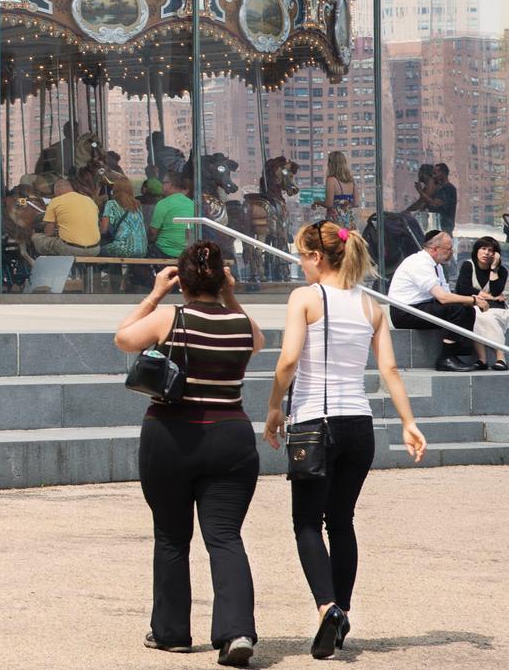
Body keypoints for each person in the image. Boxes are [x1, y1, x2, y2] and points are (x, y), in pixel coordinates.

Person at [262, 221, 428, 659]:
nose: (300, 264)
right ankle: (343, 612)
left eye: (302, 256)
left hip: (316, 422)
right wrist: (409, 422)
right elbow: (389, 369)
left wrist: (274, 405)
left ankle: (327, 607)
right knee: (341, 520)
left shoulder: (306, 298)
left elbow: (288, 360)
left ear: (317, 257)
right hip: (359, 425)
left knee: (306, 521)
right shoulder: (371, 304)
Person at [114, 241, 264, 665]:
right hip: (231, 436)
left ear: (183, 281)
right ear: (222, 279)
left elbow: (123, 338)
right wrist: (230, 296)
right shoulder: (241, 323)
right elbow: (257, 341)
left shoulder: (171, 316)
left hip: (171, 434)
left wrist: (155, 294)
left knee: (171, 536)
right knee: (225, 536)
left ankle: (172, 632)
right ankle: (237, 632)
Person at [389, 231, 483, 371]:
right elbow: (443, 298)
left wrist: (471, 301)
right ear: (434, 249)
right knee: (457, 310)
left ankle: (458, 351)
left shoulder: (437, 266)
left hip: (422, 306)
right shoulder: (419, 263)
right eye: (448, 249)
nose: (452, 252)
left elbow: (447, 295)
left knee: (466, 309)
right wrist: (473, 299)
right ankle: (446, 359)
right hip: (404, 312)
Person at [454, 236, 508, 370]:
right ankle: (499, 358)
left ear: (495, 254)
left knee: (487, 316)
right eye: (483, 249)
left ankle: (484, 360)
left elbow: (496, 291)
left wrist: (494, 269)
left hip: (497, 309)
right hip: (475, 306)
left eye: (490, 250)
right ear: (477, 250)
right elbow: (464, 289)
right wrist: (490, 297)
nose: (486, 253)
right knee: (478, 315)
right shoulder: (468, 265)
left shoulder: (501, 271)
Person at [31, 176, 101, 256]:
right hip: (95, 250)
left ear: (59, 190)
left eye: (55, 193)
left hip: (71, 250)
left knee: (37, 238)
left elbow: (49, 232)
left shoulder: (56, 201)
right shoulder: (89, 200)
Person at [149, 168, 196, 259]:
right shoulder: (192, 204)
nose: (162, 185)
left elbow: (153, 232)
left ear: (170, 185)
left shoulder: (163, 203)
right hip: (187, 253)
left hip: (164, 252)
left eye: (163, 183)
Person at [99, 176, 150, 259]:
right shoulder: (138, 205)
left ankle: (107, 268)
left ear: (115, 189)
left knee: (98, 250)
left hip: (122, 249)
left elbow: (103, 230)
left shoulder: (111, 204)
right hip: (142, 250)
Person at [323, 151, 357, 231]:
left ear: (332, 164)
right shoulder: (351, 181)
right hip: (350, 223)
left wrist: (317, 202)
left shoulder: (331, 180)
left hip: (336, 224)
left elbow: (329, 204)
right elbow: (356, 203)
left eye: (329, 162)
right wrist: (345, 205)